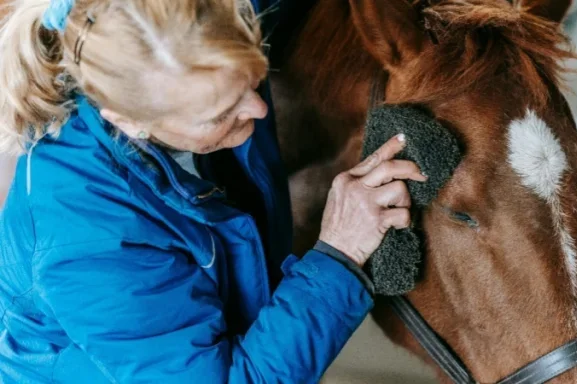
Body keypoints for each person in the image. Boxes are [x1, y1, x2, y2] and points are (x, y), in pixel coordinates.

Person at [0, 0, 425, 383]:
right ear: (130, 121)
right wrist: (340, 253)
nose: (257, 109)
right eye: (221, 112)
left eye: (254, 77)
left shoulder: (200, 25)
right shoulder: (88, 241)